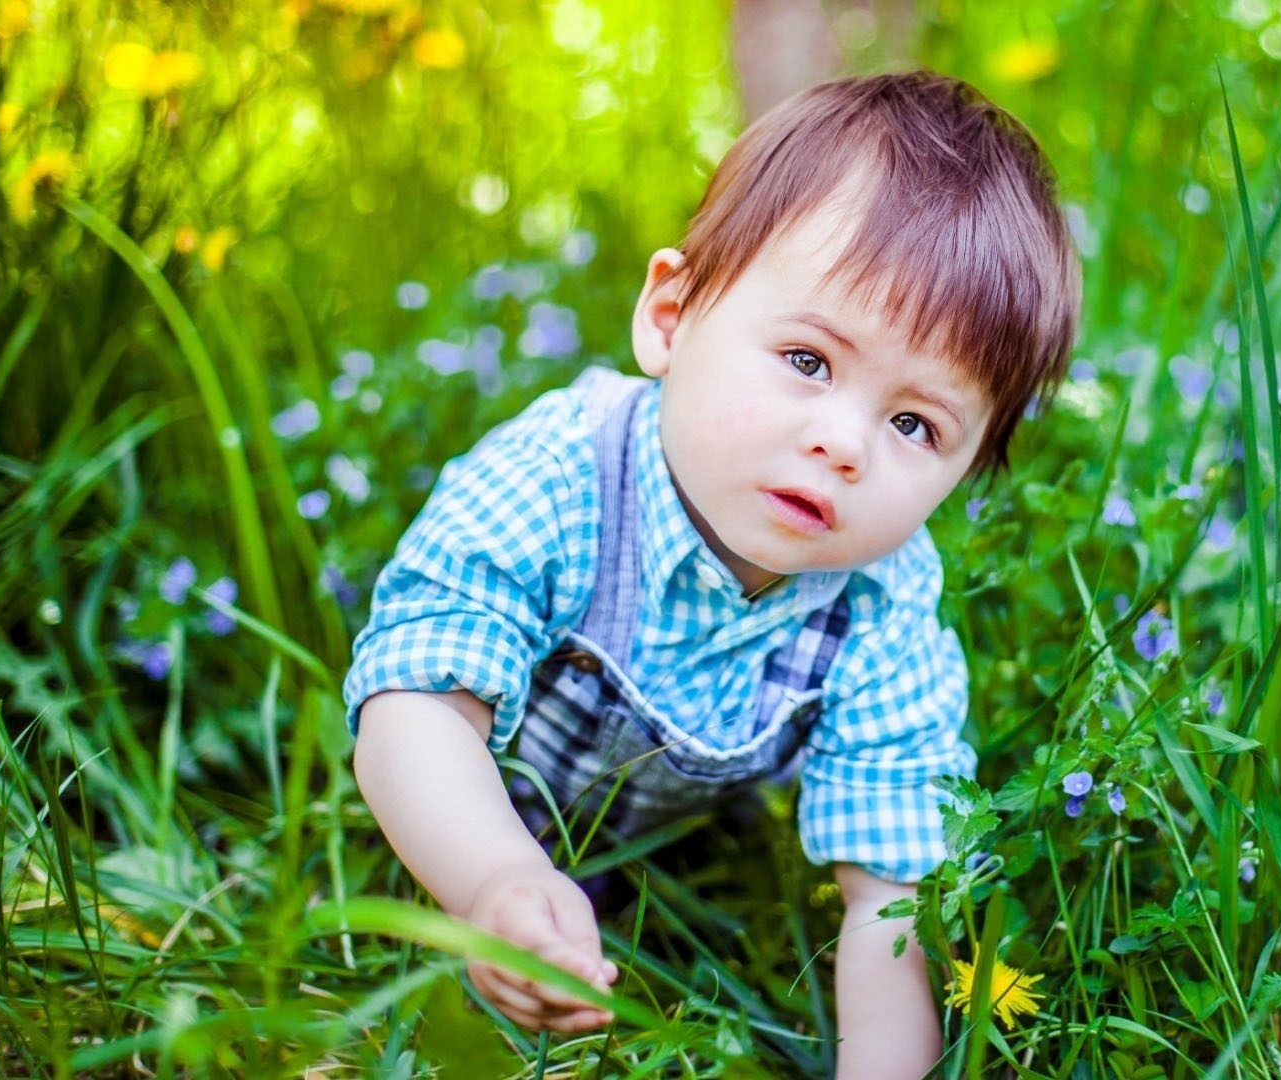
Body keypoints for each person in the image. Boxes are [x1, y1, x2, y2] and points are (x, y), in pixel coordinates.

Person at [344, 71, 1079, 1077]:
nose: (845, 443)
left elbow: (892, 903)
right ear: (673, 315)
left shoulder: (884, 598)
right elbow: (415, 707)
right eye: (810, 362)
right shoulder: (562, 477)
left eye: (916, 424)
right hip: (463, 804)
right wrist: (492, 881)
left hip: (657, 849)